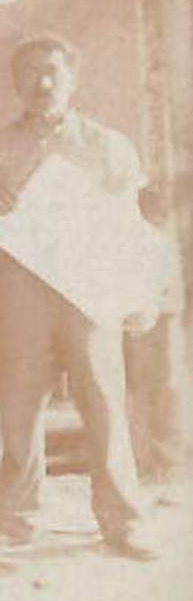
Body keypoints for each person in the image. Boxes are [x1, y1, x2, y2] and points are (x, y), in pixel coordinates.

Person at [0, 34, 155, 559]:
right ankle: (14, 519)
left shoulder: (108, 145)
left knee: (103, 399)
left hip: (88, 286)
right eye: (30, 72)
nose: (42, 83)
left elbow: (131, 225)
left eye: (52, 71)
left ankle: (123, 520)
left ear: (73, 78)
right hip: (19, 287)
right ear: (16, 83)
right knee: (19, 404)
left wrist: (139, 290)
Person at [123, 185, 187, 498]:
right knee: (141, 389)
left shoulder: (165, 243)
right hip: (139, 321)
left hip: (166, 319)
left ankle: (168, 463)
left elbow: (172, 288)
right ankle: (142, 462)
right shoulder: (132, 243)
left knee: (168, 389)